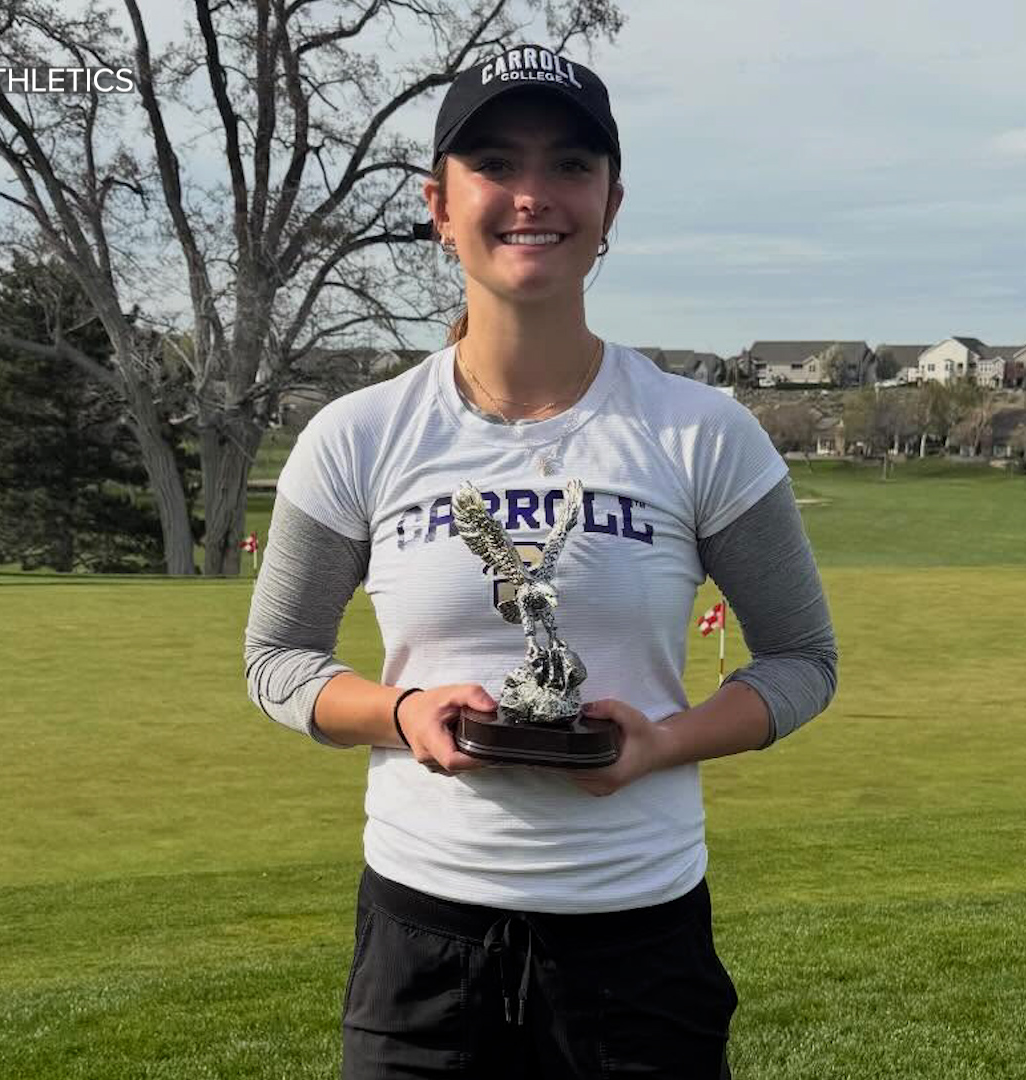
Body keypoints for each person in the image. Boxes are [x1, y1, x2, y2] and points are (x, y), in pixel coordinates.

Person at [245, 43, 836, 1079]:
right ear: (438, 202)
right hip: (422, 949)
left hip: (640, 946)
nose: (533, 195)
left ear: (611, 203)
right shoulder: (358, 435)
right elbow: (279, 659)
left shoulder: (701, 433)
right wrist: (402, 715)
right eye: (495, 164)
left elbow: (801, 661)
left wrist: (664, 743)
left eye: (570, 165)